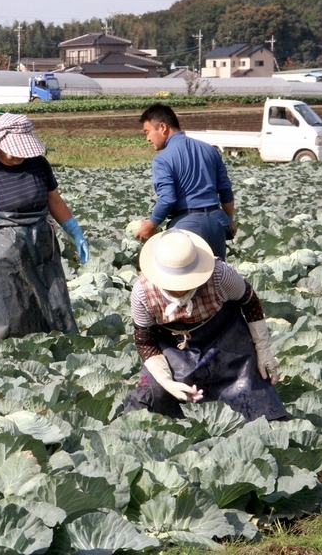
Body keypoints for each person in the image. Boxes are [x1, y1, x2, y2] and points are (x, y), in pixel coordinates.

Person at [123, 228, 286, 421]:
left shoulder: (219, 275)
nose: (180, 287)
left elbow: (250, 301)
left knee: (251, 393)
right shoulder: (142, 293)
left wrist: (262, 348)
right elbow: (145, 342)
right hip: (174, 349)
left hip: (227, 341)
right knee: (151, 395)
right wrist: (167, 381)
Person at [0, 113, 90, 343]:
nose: (20, 156)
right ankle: (10, 348)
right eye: (14, 151)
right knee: (9, 302)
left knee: (52, 297)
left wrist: (75, 232)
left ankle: (59, 343)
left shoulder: (39, 165)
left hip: (41, 243)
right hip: (4, 249)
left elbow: (55, 202)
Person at [133, 103, 236, 259]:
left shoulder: (162, 160)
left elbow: (167, 199)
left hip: (188, 227)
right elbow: (226, 190)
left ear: (162, 127)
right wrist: (229, 220)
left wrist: (150, 225)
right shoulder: (210, 150)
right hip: (217, 223)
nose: (147, 138)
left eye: (147, 132)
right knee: (216, 273)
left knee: (185, 274)